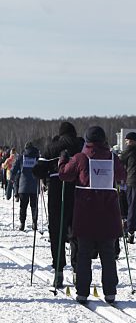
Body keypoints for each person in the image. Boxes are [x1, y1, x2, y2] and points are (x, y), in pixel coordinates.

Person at [57, 126, 127, 303]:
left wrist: (62, 160)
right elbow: (122, 175)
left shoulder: (81, 158)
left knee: (83, 254)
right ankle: (110, 292)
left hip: (85, 213)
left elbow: (64, 175)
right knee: (108, 254)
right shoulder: (112, 157)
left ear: (87, 140)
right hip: (109, 213)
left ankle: (82, 292)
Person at [35, 121, 84, 287]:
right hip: (78, 190)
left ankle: (58, 272)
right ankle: (78, 271)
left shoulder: (52, 147)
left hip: (57, 190)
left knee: (56, 230)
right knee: (76, 230)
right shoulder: (80, 145)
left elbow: (39, 169)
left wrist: (41, 173)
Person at [10, 142, 40, 231]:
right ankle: (34, 223)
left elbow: (13, 169)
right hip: (34, 186)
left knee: (23, 206)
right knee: (34, 206)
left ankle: (22, 223)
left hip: (23, 186)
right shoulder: (37, 157)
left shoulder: (21, 157)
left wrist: (12, 178)